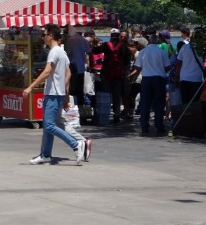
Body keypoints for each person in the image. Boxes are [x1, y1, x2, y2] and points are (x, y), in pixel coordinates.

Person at [23, 24, 85, 166]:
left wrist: (30, 87)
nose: (43, 38)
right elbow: (68, 74)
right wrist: (65, 95)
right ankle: (45, 155)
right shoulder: (62, 52)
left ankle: (75, 144)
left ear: (50, 36)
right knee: (49, 125)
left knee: (49, 125)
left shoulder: (54, 51)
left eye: (44, 35)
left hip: (53, 93)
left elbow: (47, 72)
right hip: (58, 93)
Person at [132, 32, 171, 135]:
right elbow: (168, 67)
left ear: (149, 41)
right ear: (157, 41)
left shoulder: (143, 52)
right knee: (159, 103)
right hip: (159, 79)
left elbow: (138, 67)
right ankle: (159, 126)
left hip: (146, 79)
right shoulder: (162, 52)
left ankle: (144, 126)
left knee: (145, 103)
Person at [93, 28, 130, 123]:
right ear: (118, 36)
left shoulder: (106, 45)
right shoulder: (123, 46)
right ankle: (116, 115)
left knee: (106, 94)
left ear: (111, 36)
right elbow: (127, 60)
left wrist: (91, 45)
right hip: (119, 75)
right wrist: (125, 72)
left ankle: (105, 113)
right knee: (116, 96)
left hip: (106, 74)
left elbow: (95, 51)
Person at [175, 28, 205, 104]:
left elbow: (178, 63)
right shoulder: (203, 49)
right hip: (197, 79)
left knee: (185, 102)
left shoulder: (184, 47)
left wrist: (176, 77)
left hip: (184, 78)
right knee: (194, 103)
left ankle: (186, 116)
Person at [67, 26, 91, 108]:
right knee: (80, 89)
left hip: (71, 68)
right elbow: (88, 53)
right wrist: (88, 65)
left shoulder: (70, 40)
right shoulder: (84, 40)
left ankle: (72, 106)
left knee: (72, 89)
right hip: (81, 67)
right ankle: (80, 107)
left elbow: (67, 52)